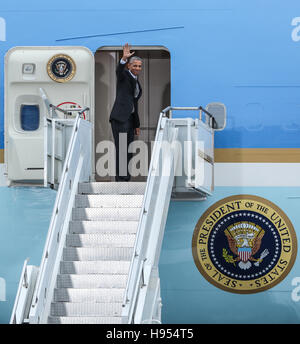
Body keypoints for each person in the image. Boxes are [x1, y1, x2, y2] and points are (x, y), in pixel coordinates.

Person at [109, 43, 142, 181]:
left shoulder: (136, 81)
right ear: (129, 66)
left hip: (129, 120)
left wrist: (136, 124)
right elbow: (118, 71)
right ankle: (121, 179)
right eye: (135, 65)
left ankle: (125, 178)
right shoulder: (124, 76)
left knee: (128, 150)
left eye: (139, 66)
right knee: (122, 149)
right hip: (120, 119)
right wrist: (123, 59)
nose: (137, 68)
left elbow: (134, 104)